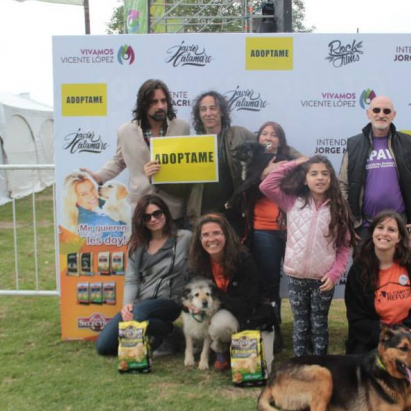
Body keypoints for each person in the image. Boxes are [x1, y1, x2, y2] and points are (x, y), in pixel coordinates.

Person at [260, 155, 356, 357]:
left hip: (322, 280)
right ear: (305, 179)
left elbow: (344, 246)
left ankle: (320, 365)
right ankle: (300, 365)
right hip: (296, 277)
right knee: (300, 324)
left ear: (331, 178)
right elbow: (267, 185)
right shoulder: (292, 202)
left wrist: (334, 274)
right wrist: (295, 163)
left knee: (319, 325)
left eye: (324, 173)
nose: (319, 178)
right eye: (313, 173)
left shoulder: (338, 208)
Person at [344, 210, 411, 384]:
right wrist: (387, 334)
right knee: (356, 370)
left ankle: (403, 374)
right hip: (374, 336)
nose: (384, 233)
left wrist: (406, 330)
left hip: (407, 333)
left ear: (399, 238)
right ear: (372, 233)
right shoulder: (359, 269)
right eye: (380, 228)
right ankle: (396, 376)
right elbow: (356, 317)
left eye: (391, 230)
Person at [81, 79, 190, 225]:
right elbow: (119, 161)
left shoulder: (182, 128)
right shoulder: (125, 131)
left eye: (163, 101)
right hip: (141, 207)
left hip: (173, 208)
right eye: (154, 102)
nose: (160, 106)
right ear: (143, 104)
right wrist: (99, 177)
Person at [95, 195, 192, 356]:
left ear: (165, 213)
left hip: (169, 301)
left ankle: (169, 335)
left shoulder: (184, 238)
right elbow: (132, 279)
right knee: (104, 347)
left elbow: (196, 267)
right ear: (141, 221)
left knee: (139, 315)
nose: (153, 219)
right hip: (142, 303)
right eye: (147, 217)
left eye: (157, 213)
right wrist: (127, 305)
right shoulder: (137, 244)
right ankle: (165, 332)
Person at [243, 121, 301, 351]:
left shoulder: (291, 162)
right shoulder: (249, 163)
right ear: (258, 139)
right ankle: (273, 331)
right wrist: (263, 173)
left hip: (291, 229)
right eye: (264, 133)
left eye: (274, 134)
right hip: (263, 229)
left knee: (299, 281)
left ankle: (302, 329)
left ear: (281, 140)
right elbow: (244, 193)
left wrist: (284, 168)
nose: (268, 137)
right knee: (269, 283)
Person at [339, 95, 411, 242]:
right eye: (376, 110)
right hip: (364, 227)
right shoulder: (354, 145)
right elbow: (343, 185)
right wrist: (347, 222)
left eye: (386, 111)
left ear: (393, 115)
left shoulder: (407, 143)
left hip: (398, 226)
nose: (381, 114)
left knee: (398, 260)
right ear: (368, 113)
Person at [188, 212, 259, 370]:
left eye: (216, 233)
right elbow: (187, 291)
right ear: (199, 239)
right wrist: (192, 306)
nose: (211, 239)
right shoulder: (197, 262)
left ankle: (227, 347)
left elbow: (246, 304)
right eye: (205, 235)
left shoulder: (244, 259)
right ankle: (220, 350)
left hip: (244, 313)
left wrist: (215, 300)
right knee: (209, 320)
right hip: (217, 309)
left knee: (221, 326)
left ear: (226, 235)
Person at [186, 90, 255, 236]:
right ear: (199, 114)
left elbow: (267, 145)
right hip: (203, 217)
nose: (208, 113)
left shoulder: (240, 134)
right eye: (203, 109)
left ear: (222, 111)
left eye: (213, 108)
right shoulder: (191, 144)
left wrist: (296, 158)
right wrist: (156, 176)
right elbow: (180, 185)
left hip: (234, 216)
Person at [61, 171, 127, 240]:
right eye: (84, 194)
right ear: (74, 198)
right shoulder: (104, 220)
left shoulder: (72, 220)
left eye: (92, 188)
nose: (92, 196)